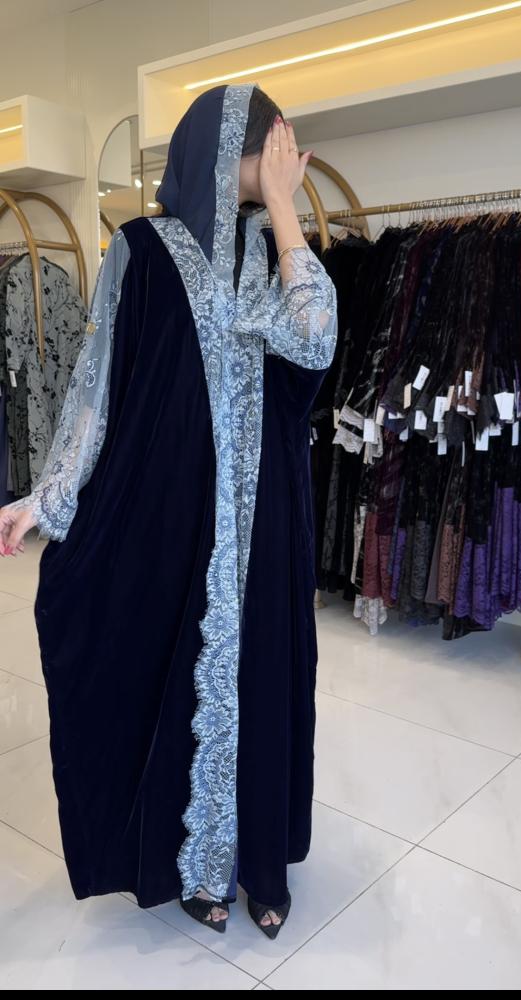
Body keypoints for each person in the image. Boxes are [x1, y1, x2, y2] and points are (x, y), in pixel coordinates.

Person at [0, 83, 337, 939]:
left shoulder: (272, 250)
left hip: (266, 524)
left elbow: (315, 340)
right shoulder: (142, 250)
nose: (282, 161)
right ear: (223, 152)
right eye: (270, 148)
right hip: (170, 515)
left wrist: (285, 208)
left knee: (263, 678)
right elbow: (98, 386)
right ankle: (191, 869)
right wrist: (47, 496)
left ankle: (261, 861)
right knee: (170, 673)